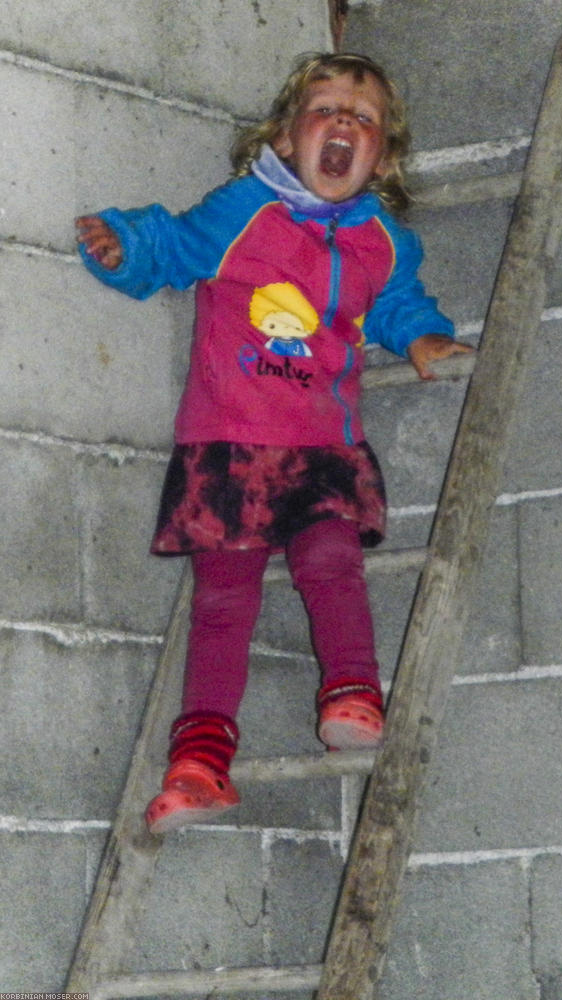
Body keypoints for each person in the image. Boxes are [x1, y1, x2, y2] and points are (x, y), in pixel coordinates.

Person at [76, 52, 473, 835]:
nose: (344, 125)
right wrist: (124, 242)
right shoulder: (244, 209)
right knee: (224, 600)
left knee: (332, 561)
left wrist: (422, 338)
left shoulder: (380, 241)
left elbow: (396, 302)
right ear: (287, 137)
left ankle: (351, 692)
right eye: (325, 109)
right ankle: (199, 760)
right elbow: (176, 244)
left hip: (324, 445)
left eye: (363, 120)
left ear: (382, 154)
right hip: (228, 443)